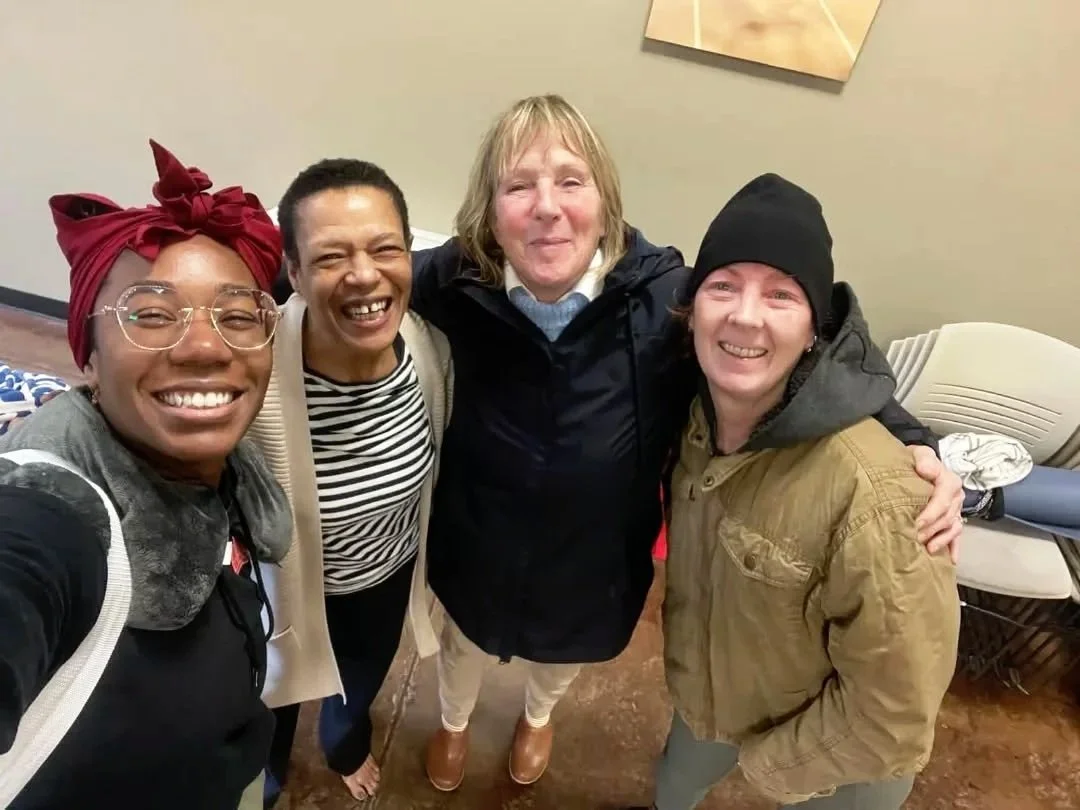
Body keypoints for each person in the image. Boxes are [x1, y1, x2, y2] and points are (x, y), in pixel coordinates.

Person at [271, 95, 964, 791]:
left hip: (592, 568)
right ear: (490, 212)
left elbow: (809, 358)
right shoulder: (456, 278)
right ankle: (453, 724)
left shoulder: (666, 298)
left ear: (605, 201)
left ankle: (538, 718)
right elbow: (352, 283)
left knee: (557, 669)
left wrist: (911, 436)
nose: (547, 206)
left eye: (571, 181)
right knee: (461, 652)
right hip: (475, 547)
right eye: (519, 186)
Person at [626, 175, 961, 810]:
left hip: (844, 757)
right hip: (713, 700)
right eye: (723, 285)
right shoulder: (693, 414)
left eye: (781, 294)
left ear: (816, 331)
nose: (745, 315)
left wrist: (770, 771)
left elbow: (892, 714)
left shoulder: (882, 501)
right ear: (691, 308)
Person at [0, 140, 291, 810]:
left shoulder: (230, 475)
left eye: (238, 315)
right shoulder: (53, 508)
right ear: (91, 360)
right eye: (151, 314)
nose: (203, 346)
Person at [250, 159, 452, 806]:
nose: (365, 274)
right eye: (331, 256)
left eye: (386, 249)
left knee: (357, 684)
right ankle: (268, 768)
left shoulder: (430, 351)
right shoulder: (252, 373)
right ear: (296, 272)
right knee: (268, 695)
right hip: (277, 589)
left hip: (382, 577)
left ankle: (343, 742)